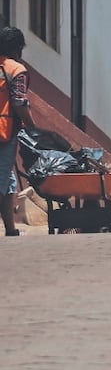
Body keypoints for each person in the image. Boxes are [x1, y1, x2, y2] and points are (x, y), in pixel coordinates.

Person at [0, 27, 36, 236]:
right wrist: (33, 126)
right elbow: (19, 102)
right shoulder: (16, 70)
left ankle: (11, 229)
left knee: (9, 181)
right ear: (18, 48)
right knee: (2, 177)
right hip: (4, 133)